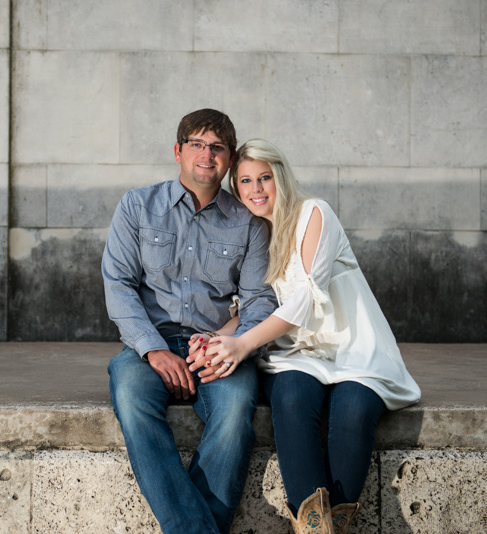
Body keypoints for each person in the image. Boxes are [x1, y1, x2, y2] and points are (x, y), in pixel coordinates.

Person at [187, 139, 421, 534]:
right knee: (292, 397)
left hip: (353, 347)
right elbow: (252, 306)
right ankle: (315, 526)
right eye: (245, 181)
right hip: (295, 352)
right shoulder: (255, 234)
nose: (256, 189)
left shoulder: (314, 213)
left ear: (280, 176)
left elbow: (308, 299)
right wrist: (216, 337)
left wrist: (243, 344)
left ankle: (329, 526)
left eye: (264, 178)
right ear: (236, 189)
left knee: (353, 410)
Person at [102, 110, 277, 534]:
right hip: (149, 346)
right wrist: (154, 349)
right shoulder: (137, 206)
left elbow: (259, 299)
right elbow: (118, 284)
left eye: (217, 147)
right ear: (178, 151)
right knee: (130, 397)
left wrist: (228, 347)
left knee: (237, 409)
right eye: (197, 144)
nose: (206, 154)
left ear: (230, 159)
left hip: (217, 347)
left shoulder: (249, 221)